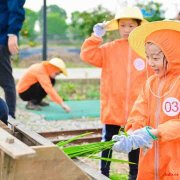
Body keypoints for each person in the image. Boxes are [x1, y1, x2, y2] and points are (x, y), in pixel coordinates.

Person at [80, 6, 149, 179]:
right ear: (118, 27)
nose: (126, 30)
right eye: (123, 25)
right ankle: (104, 173)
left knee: (134, 142)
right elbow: (88, 55)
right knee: (108, 141)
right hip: (113, 105)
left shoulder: (145, 50)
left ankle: (134, 174)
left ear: (139, 27)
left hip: (137, 108)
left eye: (131, 26)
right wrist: (96, 37)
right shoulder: (108, 48)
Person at [112, 20, 180, 180]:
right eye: (148, 57)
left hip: (175, 160)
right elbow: (138, 113)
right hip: (149, 158)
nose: (150, 63)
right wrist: (130, 134)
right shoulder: (151, 83)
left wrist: (155, 133)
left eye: (155, 58)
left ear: (175, 54)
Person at [0, 0, 26, 119]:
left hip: (2, 38)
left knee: (6, 80)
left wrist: (12, 33)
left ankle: (10, 115)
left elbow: (15, 7)